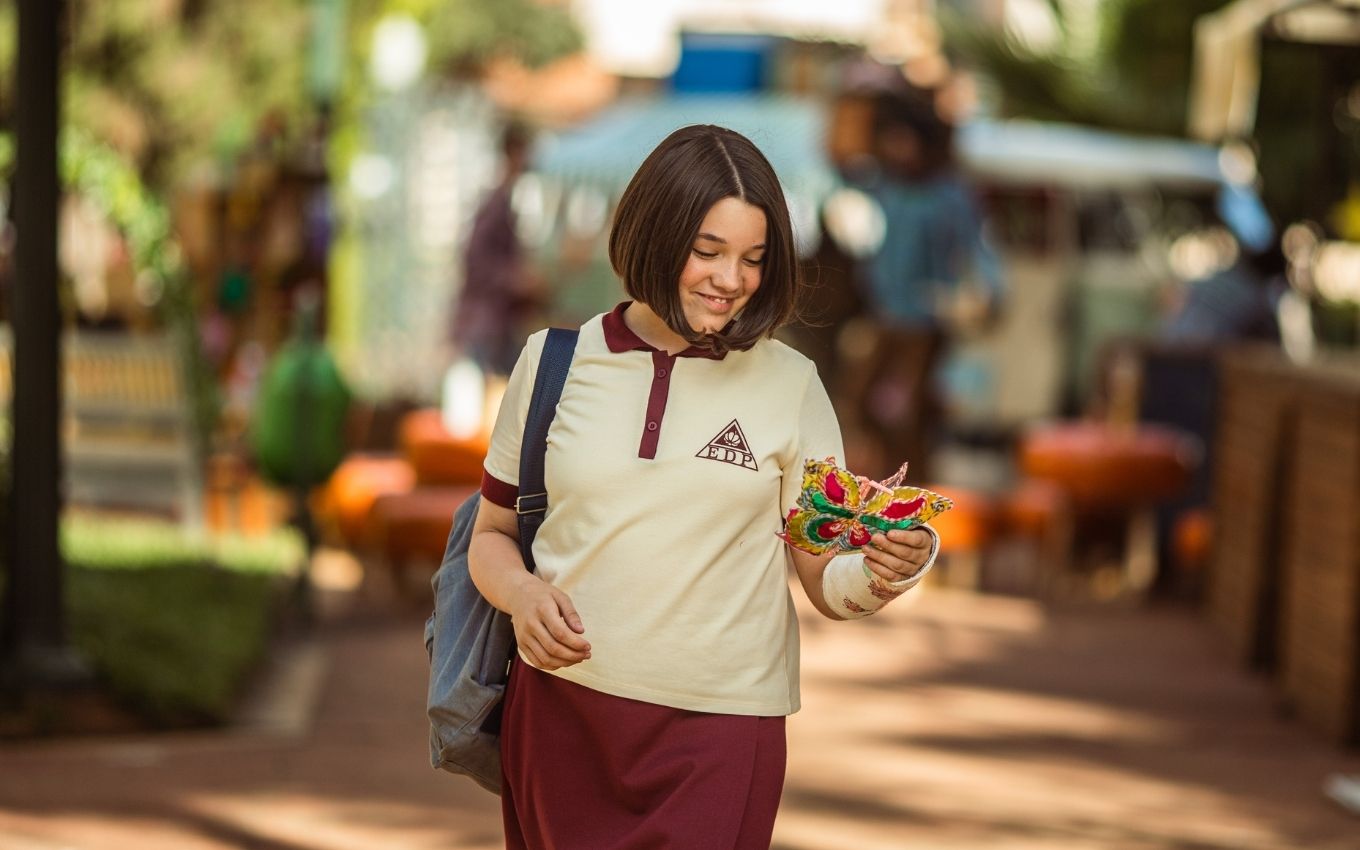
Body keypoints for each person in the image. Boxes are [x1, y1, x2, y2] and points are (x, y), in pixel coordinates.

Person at [467, 125, 942, 849]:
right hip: (559, 717)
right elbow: (493, 537)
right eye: (708, 251)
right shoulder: (553, 365)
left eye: (753, 259)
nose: (732, 280)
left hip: (719, 733)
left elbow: (824, 580)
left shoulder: (793, 387)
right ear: (654, 237)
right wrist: (524, 594)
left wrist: (884, 577)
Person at [844, 89, 1002, 481]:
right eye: (892, 139)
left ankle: (911, 499)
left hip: (925, 329)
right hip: (882, 321)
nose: (901, 149)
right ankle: (877, 489)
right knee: (859, 406)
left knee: (910, 417)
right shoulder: (881, 185)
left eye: (908, 139)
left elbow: (981, 253)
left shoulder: (950, 195)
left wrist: (985, 294)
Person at [452, 122, 542, 376]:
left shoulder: (506, 199)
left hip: (495, 326)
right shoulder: (496, 202)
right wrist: (515, 279)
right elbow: (474, 259)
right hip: (486, 327)